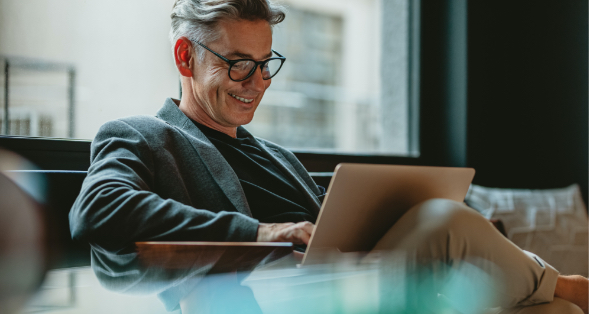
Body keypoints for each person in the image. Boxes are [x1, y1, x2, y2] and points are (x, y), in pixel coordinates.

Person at [69, 0, 588, 313]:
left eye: (267, 64)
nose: (259, 84)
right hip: (263, 299)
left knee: (558, 313)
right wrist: (261, 232)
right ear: (185, 56)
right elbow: (98, 210)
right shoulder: (140, 136)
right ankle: (562, 279)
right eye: (239, 65)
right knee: (443, 222)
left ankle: (555, 290)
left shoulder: (277, 157)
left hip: (351, 284)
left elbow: (333, 224)